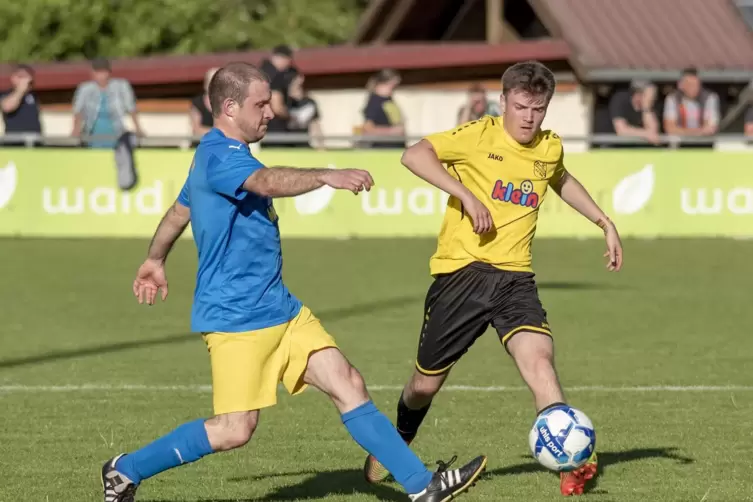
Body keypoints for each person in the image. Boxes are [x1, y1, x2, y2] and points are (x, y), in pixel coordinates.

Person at [100, 62, 486, 502]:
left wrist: (154, 259)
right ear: (229, 107)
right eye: (260, 104)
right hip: (236, 317)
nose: (270, 112)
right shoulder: (217, 156)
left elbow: (178, 212)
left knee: (348, 383)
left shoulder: (226, 155)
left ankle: (422, 488)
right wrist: (325, 175)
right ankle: (124, 470)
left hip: (282, 310)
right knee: (234, 430)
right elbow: (264, 182)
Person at [363, 61, 624, 497]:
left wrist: (604, 221)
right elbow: (414, 154)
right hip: (461, 275)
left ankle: (570, 462)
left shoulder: (548, 147)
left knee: (539, 360)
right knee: (423, 385)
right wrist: (464, 194)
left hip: (515, 279)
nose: (528, 117)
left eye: (538, 109)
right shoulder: (477, 135)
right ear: (503, 100)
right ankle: (401, 435)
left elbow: (559, 177)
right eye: (521, 106)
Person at [72, 58, 144, 148]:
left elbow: (131, 108)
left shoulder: (121, 86)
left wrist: (138, 128)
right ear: (92, 73)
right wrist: (76, 130)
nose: (101, 76)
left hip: (116, 132)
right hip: (93, 134)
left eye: (103, 72)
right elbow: (78, 110)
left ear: (109, 73)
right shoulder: (85, 89)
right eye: (98, 72)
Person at [362, 68, 406, 149]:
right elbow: (368, 128)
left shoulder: (390, 100)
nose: (393, 89)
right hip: (382, 149)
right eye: (391, 86)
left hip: (396, 148)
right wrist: (391, 131)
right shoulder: (374, 102)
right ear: (381, 84)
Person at [608, 79, 660, 146]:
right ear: (637, 94)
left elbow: (654, 133)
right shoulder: (620, 99)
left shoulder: (649, 106)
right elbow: (621, 131)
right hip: (614, 147)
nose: (652, 99)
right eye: (648, 95)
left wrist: (646, 108)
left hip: (639, 148)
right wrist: (646, 134)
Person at [0, 64, 42, 144]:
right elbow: (7, 107)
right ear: (14, 78)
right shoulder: (6, 94)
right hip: (15, 142)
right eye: (22, 77)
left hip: (34, 141)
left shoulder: (33, 96)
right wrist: (21, 90)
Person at [189, 67, 219, 144]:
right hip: (200, 145)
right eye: (211, 81)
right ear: (205, 83)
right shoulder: (197, 103)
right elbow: (196, 129)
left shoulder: (228, 104)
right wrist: (219, 134)